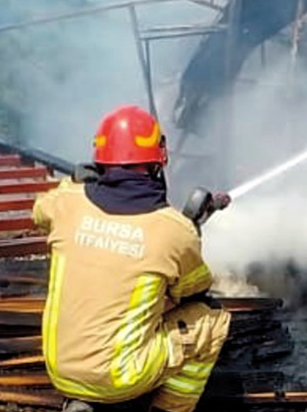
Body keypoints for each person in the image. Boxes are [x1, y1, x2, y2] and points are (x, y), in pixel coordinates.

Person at [32, 105, 231, 412]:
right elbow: (193, 291)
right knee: (211, 320)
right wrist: (189, 234)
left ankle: (82, 400)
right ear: (157, 159)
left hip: (59, 369)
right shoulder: (173, 229)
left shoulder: (66, 203)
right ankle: (167, 408)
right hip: (120, 378)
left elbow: (39, 212)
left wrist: (75, 184)